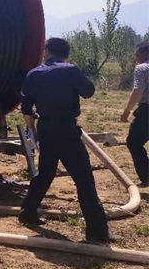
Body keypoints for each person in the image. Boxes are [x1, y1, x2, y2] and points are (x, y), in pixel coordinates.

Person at [18, 38, 113, 243]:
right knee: (83, 178)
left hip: (45, 129)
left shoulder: (33, 74)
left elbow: (26, 108)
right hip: (66, 130)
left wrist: (33, 130)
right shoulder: (70, 70)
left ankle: (27, 212)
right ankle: (97, 232)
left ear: (47, 51)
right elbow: (89, 91)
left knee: (46, 172)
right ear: (66, 54)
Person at [121, 41, 149, 187]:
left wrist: (127, 111)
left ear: (144, 53)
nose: (136, 57)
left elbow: (138, 90)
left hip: (147, 111)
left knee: (134, 142)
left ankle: (147, 176)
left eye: (137, 54)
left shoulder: (142, 68)